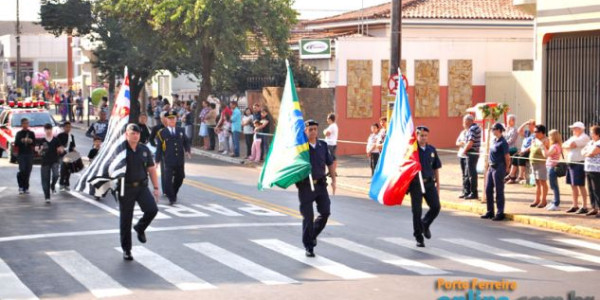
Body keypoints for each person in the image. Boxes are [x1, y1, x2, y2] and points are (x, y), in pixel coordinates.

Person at [119, 124, 160, 261]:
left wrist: (155, 188)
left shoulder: (144, 149)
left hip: (142, 186)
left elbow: (151, 169)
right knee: (126, 219)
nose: (135, 135)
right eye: (133, 133)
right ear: (127, 134)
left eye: (137, 133)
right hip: (126, 188)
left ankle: (140, 228)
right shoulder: (120, 149)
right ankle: (127, 250)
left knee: (152, 209)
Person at [296, 120, 336, 257]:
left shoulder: (322, 145)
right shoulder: (301, 147)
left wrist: (334, 180)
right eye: (310, 129)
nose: (313, 131)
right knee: (308, 217)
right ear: (305, 131)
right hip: (305, 186)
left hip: (320, 184)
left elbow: (330, 163)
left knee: (325, 212)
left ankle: (311, 235)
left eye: (315, 129)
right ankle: (309, 246)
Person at [409, 126, 442, 247]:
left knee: (436, 207)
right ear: (417, 136)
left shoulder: (431, 150)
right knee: (416, 211)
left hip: (429, 183)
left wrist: (438, 185)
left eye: (425, 135)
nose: (423, 138)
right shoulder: (412, 151)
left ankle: (425, 224)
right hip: (416, 184)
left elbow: (435, 168)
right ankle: (418, 237)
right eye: (421, 135)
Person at [155, 111, 191, 205]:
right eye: (169, 119)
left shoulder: (181, 130)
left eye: (173, 118)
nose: (171, 120)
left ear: (176, 119)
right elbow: (159, 148)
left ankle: (173, 193)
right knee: (167, 180)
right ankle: (171, 197)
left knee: (180, 178)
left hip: (179, 159)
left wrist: (187, 151)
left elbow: (186, 142)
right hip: (168, 160)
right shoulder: (162, 133)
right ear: (166, 120)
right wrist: (157, 161)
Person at [481, 123, 510, 221]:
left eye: (494, 129)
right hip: (491, 167)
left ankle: (500, 212)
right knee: (488, 189)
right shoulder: (494, 140)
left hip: (499, 167)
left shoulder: (503, 142)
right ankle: (490, 211)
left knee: (499, 190)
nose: (492, 131)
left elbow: (507, 157)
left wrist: (507, 168)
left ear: (499, 130)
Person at [563, 121, 590, 214]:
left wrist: (569, 146)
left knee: (580, 185)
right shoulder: (573, 137)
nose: (573, 130)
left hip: (579, 163)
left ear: (580, 129)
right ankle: (575, 205)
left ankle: (585, 206)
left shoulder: (584, 137)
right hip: (571, 162)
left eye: (574, 128)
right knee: (572, 185)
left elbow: (571, 145)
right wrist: (569, 146)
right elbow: (564, 145)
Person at [39, 123, 64, 203]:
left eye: (50, 129)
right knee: (45, 179)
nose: (48, 131)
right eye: (47, 129)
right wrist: (40, 150)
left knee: (56, 174)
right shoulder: (42, 140)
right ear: (45, 130)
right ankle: (47, 196)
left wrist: (60, 150)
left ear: (52, 130)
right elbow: (38, 151)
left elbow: (61, 148)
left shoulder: (56, 139)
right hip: (45, 162)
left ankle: (52, 185)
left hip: (54, 160)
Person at [460, 115, 481, 199]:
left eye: (465, 121)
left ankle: (473, 193)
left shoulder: (472, 129)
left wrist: (464, 151)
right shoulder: (475, 128)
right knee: (467, 173)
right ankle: (467, 191)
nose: (464, 123)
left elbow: (470, 142)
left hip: (472, 152)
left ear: (469, 121)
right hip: (472, 152)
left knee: (471, 174)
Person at [529, 125, 549, 208]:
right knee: (537, 182)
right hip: (533, 162)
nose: (535, 133)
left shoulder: (546, 140)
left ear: (542, 132)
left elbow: (546, 152)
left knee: (543, 182)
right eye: (534, 132)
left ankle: (543, 200)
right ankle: (537, 199)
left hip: (541, 163)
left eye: (536, 132)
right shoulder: (534, 140)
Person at [510, 119, 536, 184]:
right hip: (523, 150)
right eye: (528, 125)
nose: (529, 126)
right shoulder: (527, 133)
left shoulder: (536, 134)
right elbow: (519, 131)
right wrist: (525, 123)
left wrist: (525, 150)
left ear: (534, 125)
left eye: (530, 125)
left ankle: (521, 176)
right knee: (515, 156)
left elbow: (533, 145)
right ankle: (512, 175)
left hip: (529, 151)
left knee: (521, 157)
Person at [583, 125, 600, 218]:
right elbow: (583, 152)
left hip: (596, 170)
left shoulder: (599, 143)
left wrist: (587, 153)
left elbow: (592, 153)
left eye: (592, 132)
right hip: (588, 168)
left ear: (597, 134)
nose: (590, 134)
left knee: (597, 189)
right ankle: (594, 208)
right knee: (590, 189)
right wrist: (587, 153)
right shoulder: (590, 142)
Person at [15, 118, 35, 195]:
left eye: (27, 123)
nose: (26, 125)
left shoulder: (31, 133)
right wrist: (22, 140)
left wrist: (30, 141)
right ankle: (21, 186)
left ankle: (26, 187)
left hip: (29, 154)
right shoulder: (19, 133)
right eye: (24, 123)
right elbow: (16, 143)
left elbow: (34, 143)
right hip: (21, 154)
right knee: (22, 170)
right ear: (22, 124)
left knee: (28, 171)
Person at [545, 129, 563, 211]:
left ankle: (556, 203)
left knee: (554, 186)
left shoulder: (555, 146)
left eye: (549, 136)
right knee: (553, 186)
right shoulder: (557, 145)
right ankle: (554, 201)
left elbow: (547, 154)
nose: (548, 138)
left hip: (552, 167)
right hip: (550, 167)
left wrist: (543, 147)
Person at [57, 122, 77, 191]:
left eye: (69, 127)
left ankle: (67, 184)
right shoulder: (60, 135)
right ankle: (61, 183)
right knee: (63, 169)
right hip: (62, 155)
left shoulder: (71, 136)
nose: (68, 128)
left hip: (69, 155)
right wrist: (60, 148)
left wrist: (74, 150)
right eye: (67, 127)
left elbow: (73, 145)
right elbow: (58, 145)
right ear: (64, 127)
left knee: (69, 170)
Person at [456, 121, 470, 198]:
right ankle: (464, 191)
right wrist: (461, 143)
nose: (464, 124)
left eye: (465, 123)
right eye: (464, 123)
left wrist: (464, 144)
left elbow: (469, 143)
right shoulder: (462, 132)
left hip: (467, 156)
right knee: (463, 175)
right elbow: (457, 142)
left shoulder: (471, 132)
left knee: (467, 174)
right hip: (461, 155)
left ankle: (468, 191)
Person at [503, 115, 519, 183]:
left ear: (513, 121)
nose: (508, 121)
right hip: (505, 147)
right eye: (508, 120)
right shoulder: (507, 129)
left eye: (510, 120)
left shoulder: (515, 129)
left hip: (512, 148)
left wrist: (503, 144)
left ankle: (509, 175)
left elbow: (511, 140)